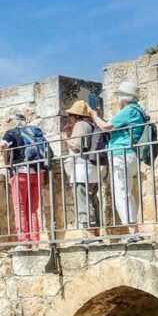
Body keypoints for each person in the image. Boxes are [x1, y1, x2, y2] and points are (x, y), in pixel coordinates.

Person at [90, 81, 146, 242]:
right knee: (127, 193)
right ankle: (133, 229)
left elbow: (105, 126)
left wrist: (94, 115)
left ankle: (133, 231)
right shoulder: (138, 111)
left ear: (124, 97)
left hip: (122, 154)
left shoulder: (129, 110)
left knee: (122, 194)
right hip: (130, 154)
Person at [0, 111, 50, 248]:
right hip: (38, 172)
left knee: (20, 207)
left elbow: (3, 147)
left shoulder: (11, 133)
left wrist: (6, 162)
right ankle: (35, 240)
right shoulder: (35, 130)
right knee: (33, 209)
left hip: (20, 172)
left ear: (13, 121)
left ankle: (23, 240)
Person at [63, 101, 101, 241]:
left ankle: (90, 236)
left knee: (83, 201)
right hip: (92, 168)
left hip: (81, 168)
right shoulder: (91, 125)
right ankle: (96, 234)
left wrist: (65, 139)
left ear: (75, 115)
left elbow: (76, 147)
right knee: (92, 200)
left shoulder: (80, 125)